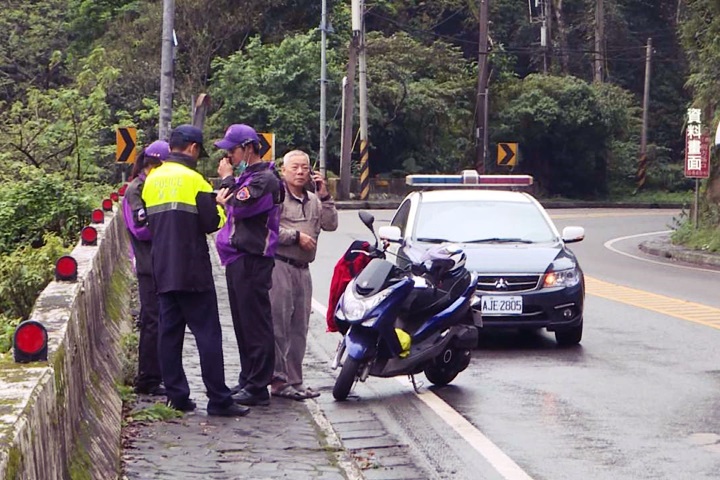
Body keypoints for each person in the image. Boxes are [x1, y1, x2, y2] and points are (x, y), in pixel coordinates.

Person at [141, 124, 249, 417]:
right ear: (192, 148)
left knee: (169, 334)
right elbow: (210, 223)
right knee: (208, 335)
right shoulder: (196, 180)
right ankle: (218, 399)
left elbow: (147, 222)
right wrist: (222, 207)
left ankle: (177, 396)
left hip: (162, 267)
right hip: (192, 270)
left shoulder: (152, 180)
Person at [214, 123, 284, 406]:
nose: (229, 156)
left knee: (255, 322)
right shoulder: (248, 177)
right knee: (242, 323)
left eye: (232, 149)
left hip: (253, 257)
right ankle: (247, 377)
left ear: (249, 147)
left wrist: (227, 180)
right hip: (236, 257)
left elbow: (240, 206)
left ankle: (258, 385)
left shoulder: (265, 179)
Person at [269, 150, 337, 400]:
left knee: (300, 327)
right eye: (295, 168)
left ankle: (295, 380)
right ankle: (278, 380)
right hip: (280, 265)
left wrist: (325, 195)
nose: (300, 172)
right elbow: (268, 229)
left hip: (303, 269)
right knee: (279, 325)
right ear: (284, 171)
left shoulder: (313, 199)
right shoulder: (276, 198)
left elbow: (331, 224)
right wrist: (295, 236)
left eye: (305, 168)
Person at [122, 140, 169, 396]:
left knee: (164, 320)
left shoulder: (155, 186)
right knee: (151, 321)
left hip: (162, 263)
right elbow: (140, 229)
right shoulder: (136, 190)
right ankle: (148, 378)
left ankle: (160, 374)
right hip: (148, 264)